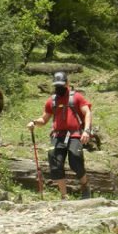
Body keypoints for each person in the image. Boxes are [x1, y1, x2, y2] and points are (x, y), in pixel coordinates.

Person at [27, 72, 93, 200]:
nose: (59, 88)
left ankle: (85, 186)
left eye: (61, 85)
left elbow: (87, 113)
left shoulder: (77, 97)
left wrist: (86, 131)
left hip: (74, 134)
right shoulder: (52, 101)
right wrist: (34, 122)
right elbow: (44, 119)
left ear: (67, 84)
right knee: (55, 162)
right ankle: (64, 196)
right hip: (58, 136)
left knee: (75, 159)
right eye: (56, 85)